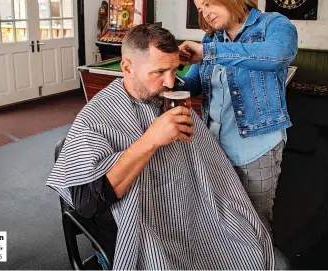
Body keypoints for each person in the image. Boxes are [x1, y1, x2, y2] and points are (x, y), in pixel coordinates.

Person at [47, 24, 286, 270]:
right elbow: (87, 204)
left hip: (194, 213)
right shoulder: (96, 118)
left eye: (175, 70)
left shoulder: (169, 101)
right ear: (127, 68)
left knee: (263, 257)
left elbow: (205, 165)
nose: (171, 82)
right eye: (159, 71)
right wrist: (151, 140)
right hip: (143, 227)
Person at [178, 0, 298, 226]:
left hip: (257, 147)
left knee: (256, 218)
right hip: (214, 145)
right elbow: (193, 85)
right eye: (201, 9)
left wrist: (209, 53)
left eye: (209, 4)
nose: (205, 14)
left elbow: (277, 56)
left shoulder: (273, 24)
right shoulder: (212, 39)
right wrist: (165, 73)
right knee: (221, 213)